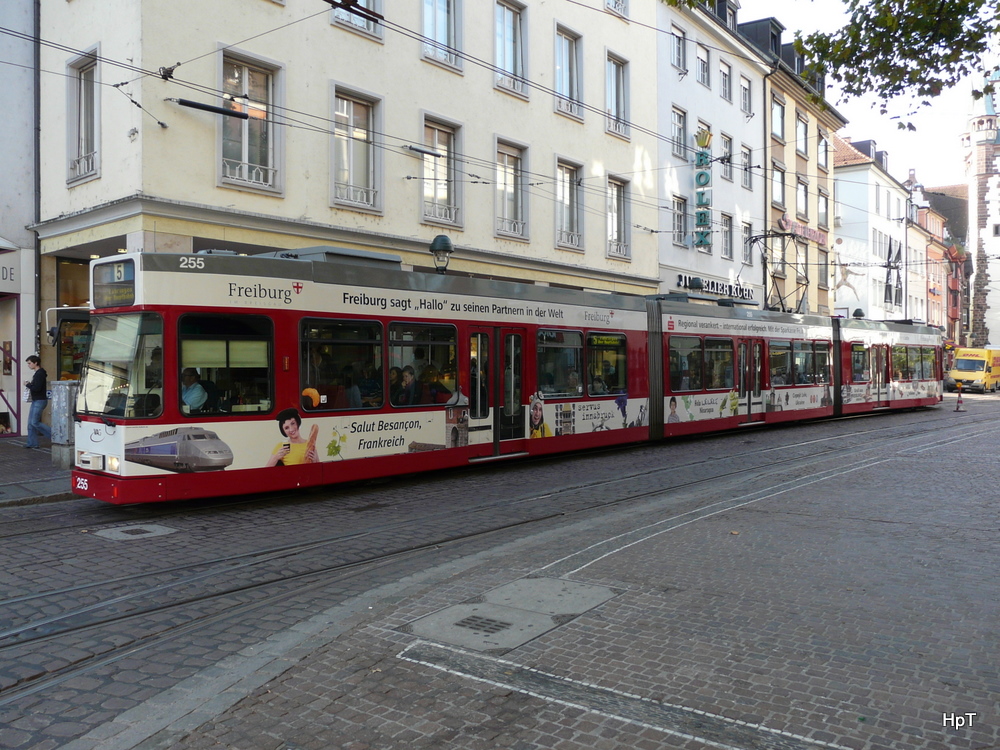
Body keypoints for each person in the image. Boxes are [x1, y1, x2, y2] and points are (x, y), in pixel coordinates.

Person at [23, 355, 52, 449]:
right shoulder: (39, 373)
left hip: (39, 400)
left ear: (36, 363)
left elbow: (37, 388)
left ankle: (54, 436)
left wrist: (28, 385)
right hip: (37, 400)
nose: (28, 365)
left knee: (34, 422)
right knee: (30, 423)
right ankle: (32, 443)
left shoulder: (39, 374)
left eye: (30, 363)